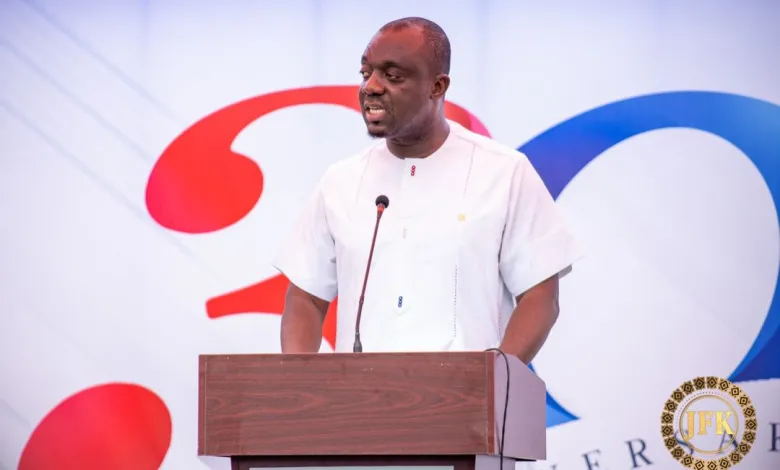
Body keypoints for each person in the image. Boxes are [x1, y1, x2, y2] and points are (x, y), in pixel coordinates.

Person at [272, 17, 583, 363]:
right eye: (366, 73)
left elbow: (541, 298)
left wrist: (494, 378)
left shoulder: (504, 171)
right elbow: (305, 299)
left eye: (392, 76)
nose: (370, 87)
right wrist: (299, 379)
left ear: (437, 86)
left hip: (469, 394)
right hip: (359, 396)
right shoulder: (341, 181)